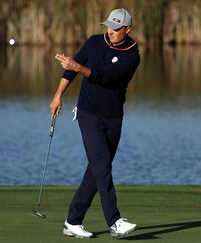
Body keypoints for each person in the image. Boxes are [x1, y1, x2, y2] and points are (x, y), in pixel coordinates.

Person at [49, 8, 141, 238]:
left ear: (127, 29)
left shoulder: (132, 54)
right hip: (89, 113)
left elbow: (106, 77)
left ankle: (73, 220)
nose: (110, 32)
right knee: (103, 166)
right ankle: (114, 221)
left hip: (113, 117)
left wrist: (78, 67)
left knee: (96, 170)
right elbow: (72, 70)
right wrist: (58, 95)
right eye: (109, 26)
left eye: (116, 28)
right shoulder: (93, 43)